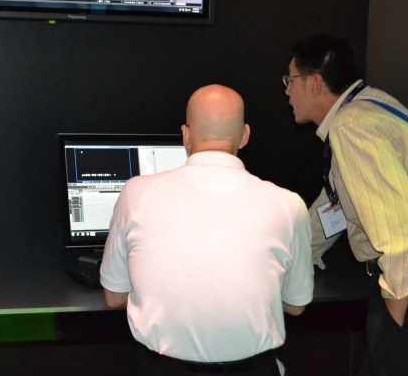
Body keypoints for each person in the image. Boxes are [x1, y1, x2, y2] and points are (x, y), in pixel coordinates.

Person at [100, 85, 314, 376]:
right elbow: (296, 304)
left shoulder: (136, 193)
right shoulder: (289, 205)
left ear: (186, 135)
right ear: (245, 135)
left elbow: (114, 296)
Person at [284, 34, 408, 376]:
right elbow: (340, 202)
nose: (286, 91)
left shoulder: (352, 127)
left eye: (290, 80)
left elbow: (402, 223)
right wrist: (298, 250)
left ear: (315, 83)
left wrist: (397, 306)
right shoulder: (370, 105)